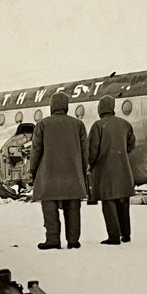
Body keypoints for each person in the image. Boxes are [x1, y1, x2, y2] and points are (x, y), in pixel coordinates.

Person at [28, 92, 88, 250]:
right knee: (73, 207)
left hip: (49, 174)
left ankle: (53, 239)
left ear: (52, 106)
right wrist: (82, 171)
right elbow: (84, 152)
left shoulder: (43, 124)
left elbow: (36, 150)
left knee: (49, 206)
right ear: (66, 106)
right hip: (73, 174)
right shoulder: (78, 124)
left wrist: (32, 170)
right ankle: (73, 240)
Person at [88, 94, 136, 245]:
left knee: (109, 203)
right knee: (123, 202)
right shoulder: (125, 124)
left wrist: (90, 164)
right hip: (123, 168)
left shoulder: (98, 125)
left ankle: (114, 236)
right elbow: (131, 145)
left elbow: (92, 150)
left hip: (105, 171)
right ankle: (126, 234)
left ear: (101, 108)